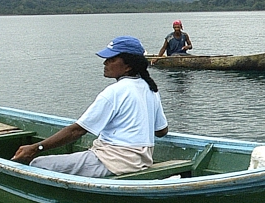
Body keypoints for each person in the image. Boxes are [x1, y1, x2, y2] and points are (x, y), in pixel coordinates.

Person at [12, 36, 169, 178]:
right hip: (141, 161)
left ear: (128, 66)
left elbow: (77, 131)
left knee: (37, 164)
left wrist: (35, 148)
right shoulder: (150, 89)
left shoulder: (114, 92)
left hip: (112, 162)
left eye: (111, 59)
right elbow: (161, 131)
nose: (105, 63)